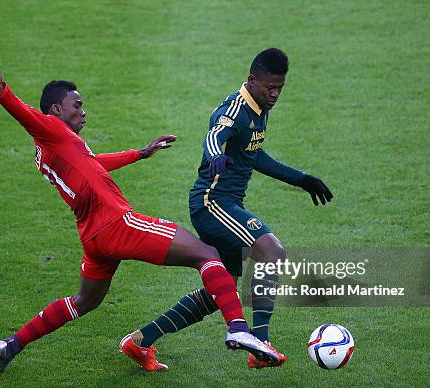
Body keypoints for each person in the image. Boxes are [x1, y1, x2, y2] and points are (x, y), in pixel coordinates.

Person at [0, 57, 280, 372]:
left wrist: (139, 154)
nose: (83, 111)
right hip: (118, 224)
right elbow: (26, 116)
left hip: (93, 237)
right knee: (207, 254)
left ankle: (11, 344)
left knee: (84, 301)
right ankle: (239, 329)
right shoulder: (49, 128)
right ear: (56, 111)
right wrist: (1, 90)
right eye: (76, 105)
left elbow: (93, 163)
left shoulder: (54, 149)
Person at [122, 48, 333, 370]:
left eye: (280, 88)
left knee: (220, 291)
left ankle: (140, 340)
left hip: (227, 203)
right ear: (252, 80)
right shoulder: (235, 109)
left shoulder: (260, 105)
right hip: (211, 202)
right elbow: (214, 134)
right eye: (269, 88)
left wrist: (301, 179)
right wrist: (215, 155)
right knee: (271, 251)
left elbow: (255, 154)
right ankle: (260, 342)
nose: (275, 94)